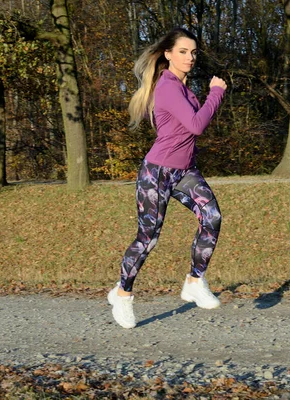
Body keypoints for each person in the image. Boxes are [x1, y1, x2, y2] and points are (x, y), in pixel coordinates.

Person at [107, 27, 228, 329]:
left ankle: (194, 281)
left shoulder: (185, 89)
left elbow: (189, 129)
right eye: (183, 51)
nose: (190, 57)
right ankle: (122, 294)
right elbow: (197, 125)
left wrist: (207, 96)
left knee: (212, 217)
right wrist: (217, 93)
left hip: (184, 170)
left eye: (193, 52)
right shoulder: (168, 86)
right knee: (148, 238)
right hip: (158, 172)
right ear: (168, 54)